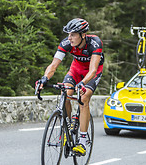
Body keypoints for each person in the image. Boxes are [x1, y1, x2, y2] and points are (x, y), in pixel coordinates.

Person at [35, 18, 104, 156]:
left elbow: (93, 70)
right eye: (68, 34)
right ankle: (68, 125)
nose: (69, 37)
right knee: (65, 93)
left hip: (91, 73)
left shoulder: (95, 43)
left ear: (83, 35)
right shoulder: (66, 43)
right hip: (75, 70)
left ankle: (82, 142)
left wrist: (83, 83)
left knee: (83, 98)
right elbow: (53, 65)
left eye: (73, 34)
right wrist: (44, 78)